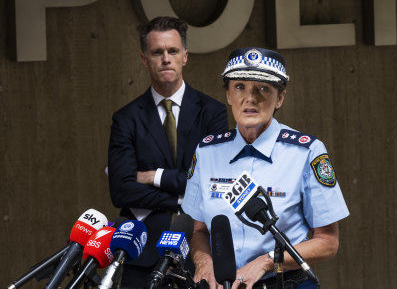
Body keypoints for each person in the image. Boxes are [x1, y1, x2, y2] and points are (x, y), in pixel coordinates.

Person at [181, 47, 349, 289]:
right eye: (239, 87)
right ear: (228, 95)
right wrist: (204, 263)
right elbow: (199, 232)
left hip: (283, 283)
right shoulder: (207, 152)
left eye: (263, 89)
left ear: (280, 98)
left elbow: (328, 242)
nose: (250, 98)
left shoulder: (306, 152)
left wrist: (266, 261)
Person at [107, 16, 228, 287]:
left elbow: (213, 182)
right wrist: (181, 198)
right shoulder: (126, 119)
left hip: (201, 251)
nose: (165, 58)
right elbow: (121, 190)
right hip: (142, 253)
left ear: (185, 56)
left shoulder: (212, 113)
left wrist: (155, 176)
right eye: (157, 52)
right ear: (144, 58)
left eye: (172, 51)